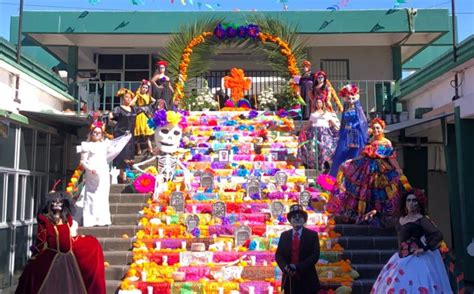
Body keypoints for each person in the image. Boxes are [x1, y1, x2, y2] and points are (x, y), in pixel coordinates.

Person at [16, 191, 106, 294]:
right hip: (52, 258)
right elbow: (40, 241)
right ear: (50, 204)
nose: (57, 205)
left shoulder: (67, 220)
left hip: (69, 257)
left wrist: (79, 239)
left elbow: (69, 236)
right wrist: (35, 256)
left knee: (92, 244)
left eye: (59, 203)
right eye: (54, 202)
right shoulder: (45, 221)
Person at [369, 190, 453, 293]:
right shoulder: (400, 219)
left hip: (416, 259)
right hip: (400, 259)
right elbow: (386, 222)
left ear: (419, 203)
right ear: (405, 203)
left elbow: (437, 235)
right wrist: (376, 213)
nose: (411, 203)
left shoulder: (421, 220)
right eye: (409, 200)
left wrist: (424, 248)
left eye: (414, 200)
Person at [333, 118, 404, 224]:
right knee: (365, 192)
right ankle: (364, 215)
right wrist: (351, 160)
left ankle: (379, 214)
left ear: (382, 129)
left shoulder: (386, 142)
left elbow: (391, 157)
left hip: (380, 171)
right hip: (366, 169)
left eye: (378, 128)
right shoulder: (370, 141)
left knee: (379, 192)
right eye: (374, 128)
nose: (376, 130)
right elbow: (362, 156)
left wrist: (398, 168)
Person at [78, 120, 131, 227]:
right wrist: (89, 169)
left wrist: (125, 138)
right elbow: (82, 162)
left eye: (99, 133)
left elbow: (115, 148)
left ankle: (102, 219)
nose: (97, 134)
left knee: (103, 196)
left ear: (102, 134)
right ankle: (90, 220)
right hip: (92, 172)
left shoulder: (105, 144)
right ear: (91, 134)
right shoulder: (87, 145)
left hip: (103, 171)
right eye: (95, 132)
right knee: (91, 196)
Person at [275, 204, 320, 294]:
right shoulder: (284, 235)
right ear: (290, 220)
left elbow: (315, 256)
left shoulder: (312, 235)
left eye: (300, 216)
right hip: (290, 279)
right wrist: (285, 267)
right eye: (294, 217)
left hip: (307, 278)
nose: (297, 218)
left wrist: (297, 267)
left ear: (304, 220)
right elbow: (279, 255)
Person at [329, 84, 368, 176]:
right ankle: (337, 178)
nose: (350, 100)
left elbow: (363, 121)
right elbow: (343, 123)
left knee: (355, 154)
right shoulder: (345, 110)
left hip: (356, 134)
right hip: (346, 134)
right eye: (348, 98)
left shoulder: (358, 109)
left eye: (352, 98)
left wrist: (355, 127)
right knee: (341, 155)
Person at [298, 98, 340, 170]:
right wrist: (302, 130)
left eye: (320, 102)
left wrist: (339, 128)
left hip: (325, 133)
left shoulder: (327, 113)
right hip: (314, 132)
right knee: (315, 148)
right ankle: (316, 164)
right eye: (317, 103)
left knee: (325, 148)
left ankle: (324, 163)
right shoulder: (313, 114)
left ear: (323, 104)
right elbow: (309, 124)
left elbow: (333, 123)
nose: (318, 104)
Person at [109, 88, 137, 183]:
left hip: (130, 135)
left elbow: (145, 109)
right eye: (126, 97)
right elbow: (111, 118)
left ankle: (125, 174)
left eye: (130, 97)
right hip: (121, 134)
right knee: (122, 154)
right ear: (122, 98)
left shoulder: (134, 109)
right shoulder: (118, 109)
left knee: (129, 154)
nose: (128, 99)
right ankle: (122, 176)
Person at [134, 79, 155, 155]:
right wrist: (138, 108)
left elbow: (154, 101)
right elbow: (132, 102)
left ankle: (150, 149)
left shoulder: (148, 96)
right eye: (143, 87)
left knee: (147, 132)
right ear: (141, 87)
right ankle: (139, 149)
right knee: (139, 133)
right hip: (139, 115)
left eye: (146, 88)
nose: (144, 89)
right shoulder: (138, 95)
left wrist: (148, 107)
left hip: (146, 115)